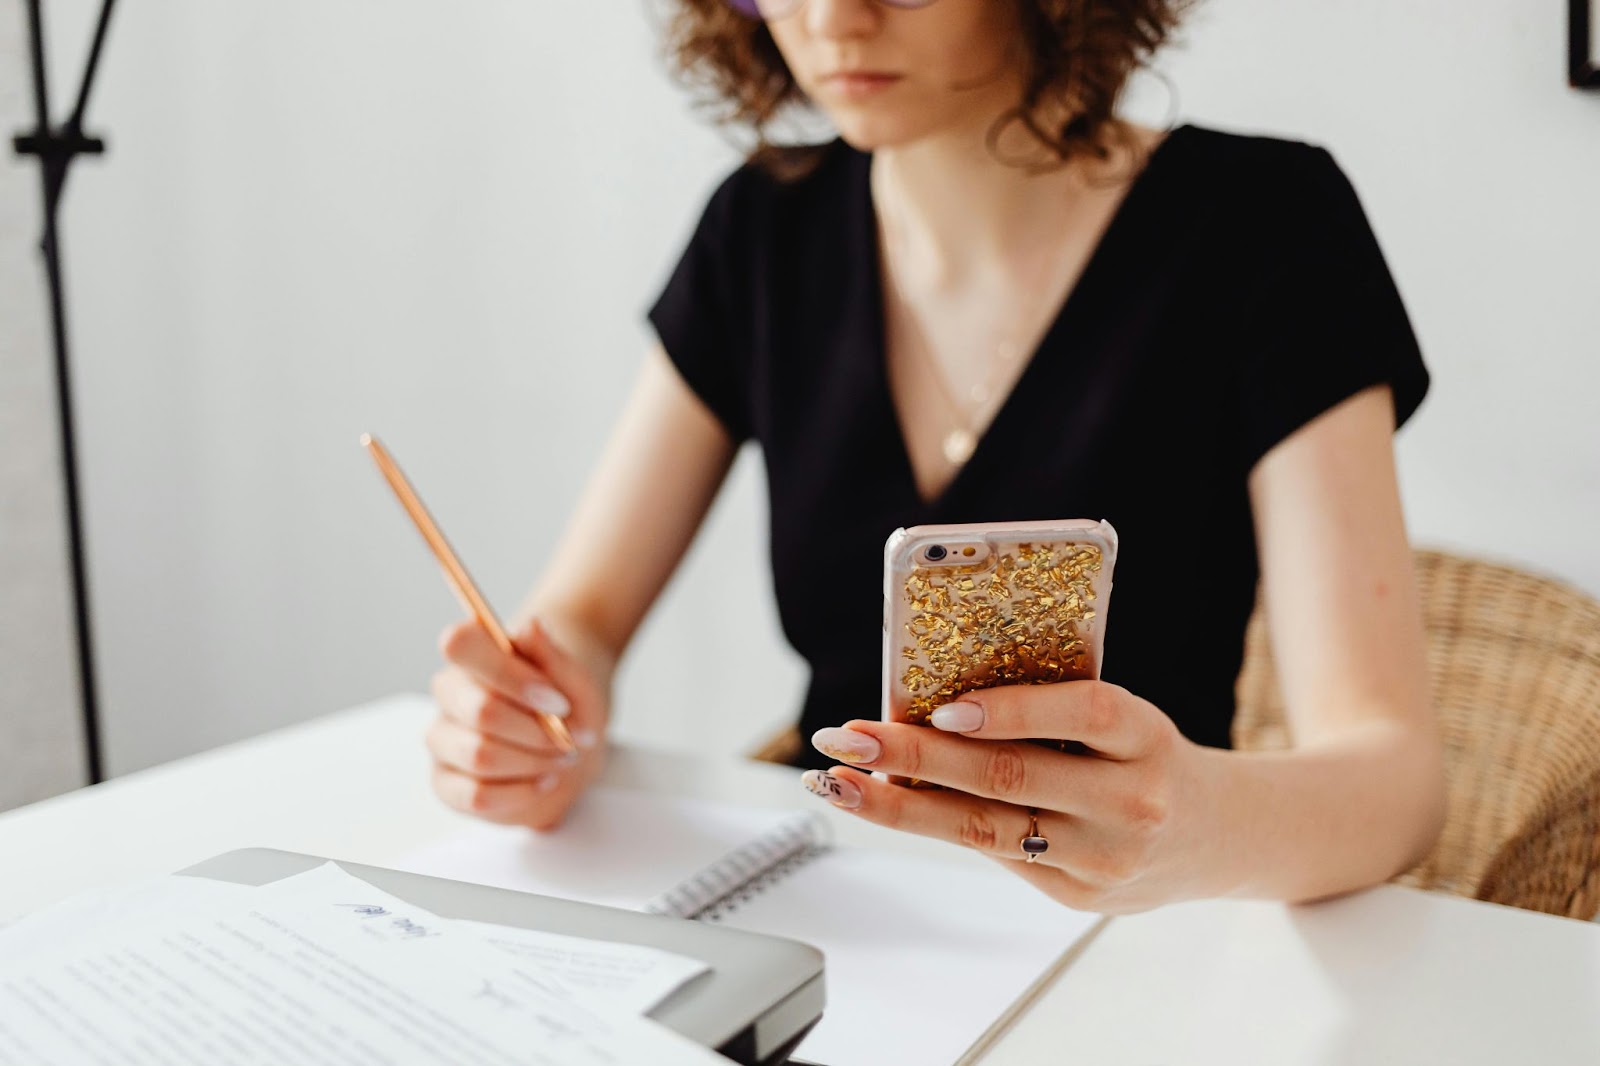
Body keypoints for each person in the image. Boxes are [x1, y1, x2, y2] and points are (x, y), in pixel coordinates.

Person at [424, 0, 1445, 914]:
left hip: (1147, 940)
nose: (831, 19)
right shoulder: (761, 228)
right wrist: (531, 720)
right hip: (837, 915)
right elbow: (582, 625)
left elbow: (1392, 785)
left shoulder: (1267, 225)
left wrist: (1189, 819)